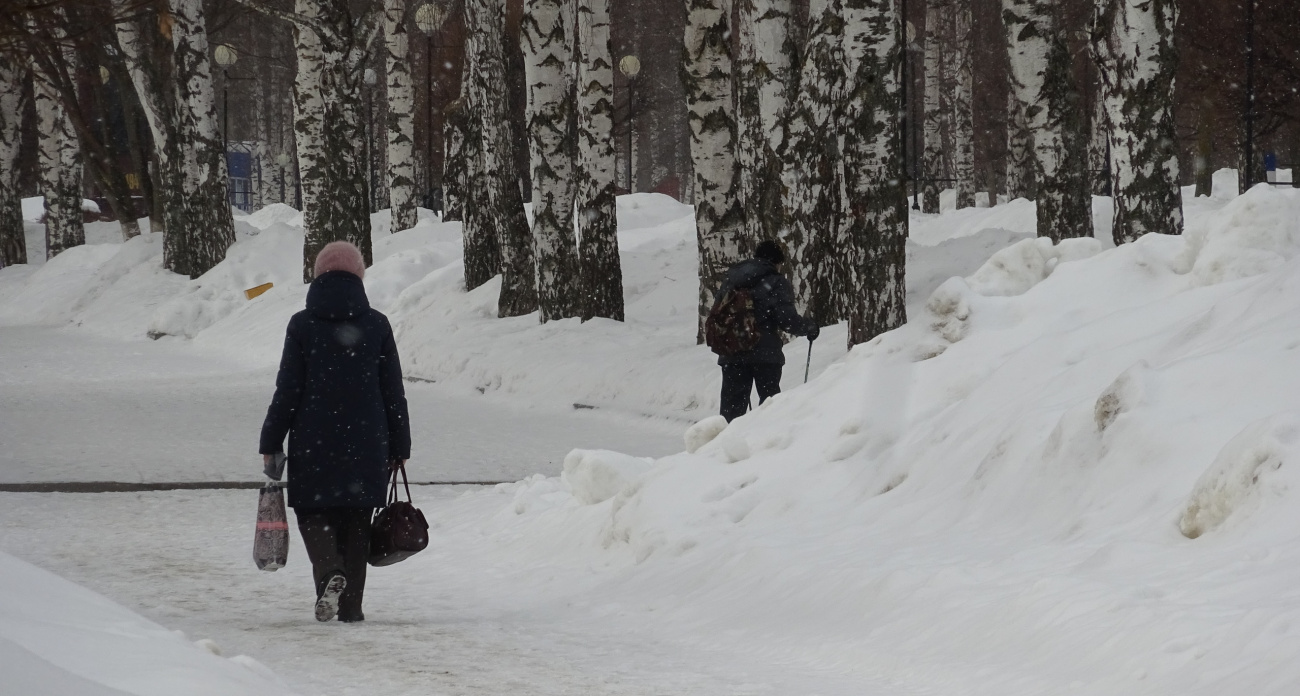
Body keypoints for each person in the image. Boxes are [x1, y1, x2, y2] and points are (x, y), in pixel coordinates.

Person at [259, 241, 411, 623]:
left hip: (314, 439)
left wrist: (271, 440)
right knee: (357, 522)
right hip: (367, 439)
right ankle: (351, 609)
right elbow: (393, 391)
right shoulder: (376, 323)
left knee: (314, 514)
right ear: (359, 275)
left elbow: (288, 389)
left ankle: (329, 571)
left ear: (317, 275)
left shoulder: (302, 324)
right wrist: (400, 444)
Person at [714, 240, 819, 422]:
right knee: (770, 407)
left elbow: (717, 312)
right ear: (776, 261)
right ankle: (768, 445)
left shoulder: (732, 279)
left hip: (733, 351)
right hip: (765, 353)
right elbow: (787, 320)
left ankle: (723, 446)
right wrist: (808, 327)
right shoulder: (776, 282)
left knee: (731, 412)